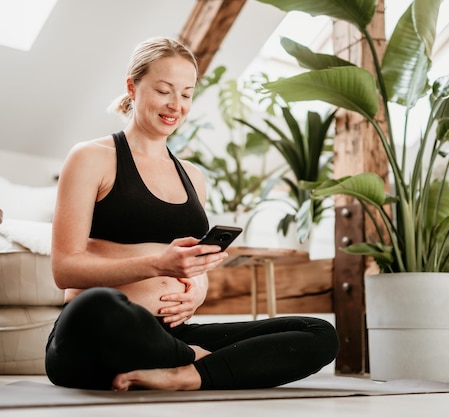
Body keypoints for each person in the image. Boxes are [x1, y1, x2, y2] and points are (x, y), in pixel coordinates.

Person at [45, 37, 339, 391]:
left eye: (186, 94)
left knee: (318, 333)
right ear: (132, 87)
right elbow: (65, 269)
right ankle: (196, 359)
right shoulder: (91, 157)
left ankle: (184, 373)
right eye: (165, 91)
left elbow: (192, 263)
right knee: (100, 303)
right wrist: (158, 264)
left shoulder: (192, 176)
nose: (176, 105)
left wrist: (198, 288)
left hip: (169, 332)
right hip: (98, 335)